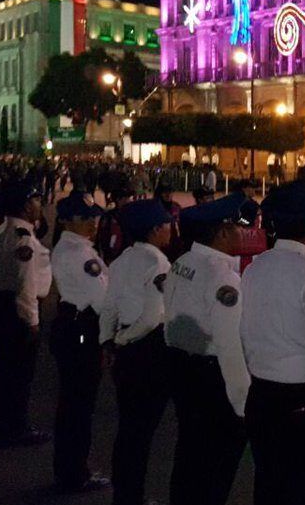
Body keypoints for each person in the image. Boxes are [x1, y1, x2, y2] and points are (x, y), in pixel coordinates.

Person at [244, 179, 305, 505]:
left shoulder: (256, 267)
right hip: (300, 402)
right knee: (300, 488)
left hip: (261, 394)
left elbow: (245, 333)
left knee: (268, 485)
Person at [164, 194, 254, 505]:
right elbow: (229, 346)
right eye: (237, 226)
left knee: (189, 456)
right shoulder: (222, 276)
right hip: (211, 379)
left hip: (182, 366)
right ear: (221, 232)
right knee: (215, 468)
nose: (243, 232)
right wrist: (243, 405)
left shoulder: (182, 263)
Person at [100, 199, 174, 505]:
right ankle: (133, 497)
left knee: (129, 429)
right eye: (167, 224)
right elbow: (152, 317)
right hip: (147, 350)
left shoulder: (121, 260)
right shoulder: (157, 264)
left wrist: (109, 340)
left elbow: (109, 307)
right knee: (140, 433)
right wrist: (124, 339)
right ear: (155, 229)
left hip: (127, 350)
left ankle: (124, 494)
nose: (171, 229)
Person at [50, 191, 110, 492]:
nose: (93, 223)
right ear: (67, 221)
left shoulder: (73, 247)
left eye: (94, 217)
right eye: (85, 218)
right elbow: (102, 300)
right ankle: (75, 473)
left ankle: (70, 469)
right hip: (82, 329)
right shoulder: (80, 253)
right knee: (79, 404)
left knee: (73, 403)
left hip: (72, 326)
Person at [0, 183, 52, 446]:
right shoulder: (23, 236)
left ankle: (8, 424)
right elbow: (25, 284)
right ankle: (17, 427)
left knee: (6, 371)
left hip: (3, 304)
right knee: (19, 373)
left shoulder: (3, 230)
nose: (40, 204)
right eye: (36, 199)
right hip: (18, 310)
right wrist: (32, 321)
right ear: (26, 205)